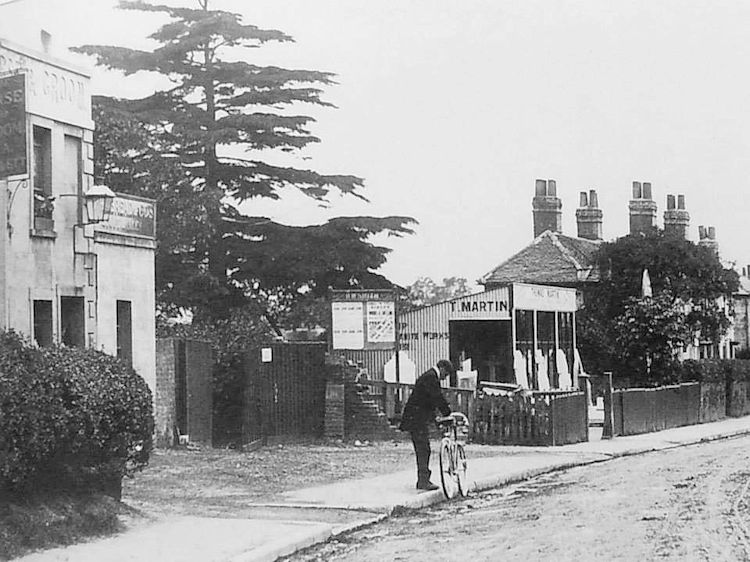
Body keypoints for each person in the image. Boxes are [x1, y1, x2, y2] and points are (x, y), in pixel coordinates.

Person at [399, 359, 454, 490]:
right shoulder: (431, 378)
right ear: (442, 368)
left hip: (417, 418)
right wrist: (447, 412)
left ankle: (423, 479)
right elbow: (437, 397)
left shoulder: (429, 377)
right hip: (416, 419)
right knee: (423, 449)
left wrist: (436, 419)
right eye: (445, 374)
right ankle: (423, 481)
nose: (444, 377)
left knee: (423, 448)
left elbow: (428, 402)